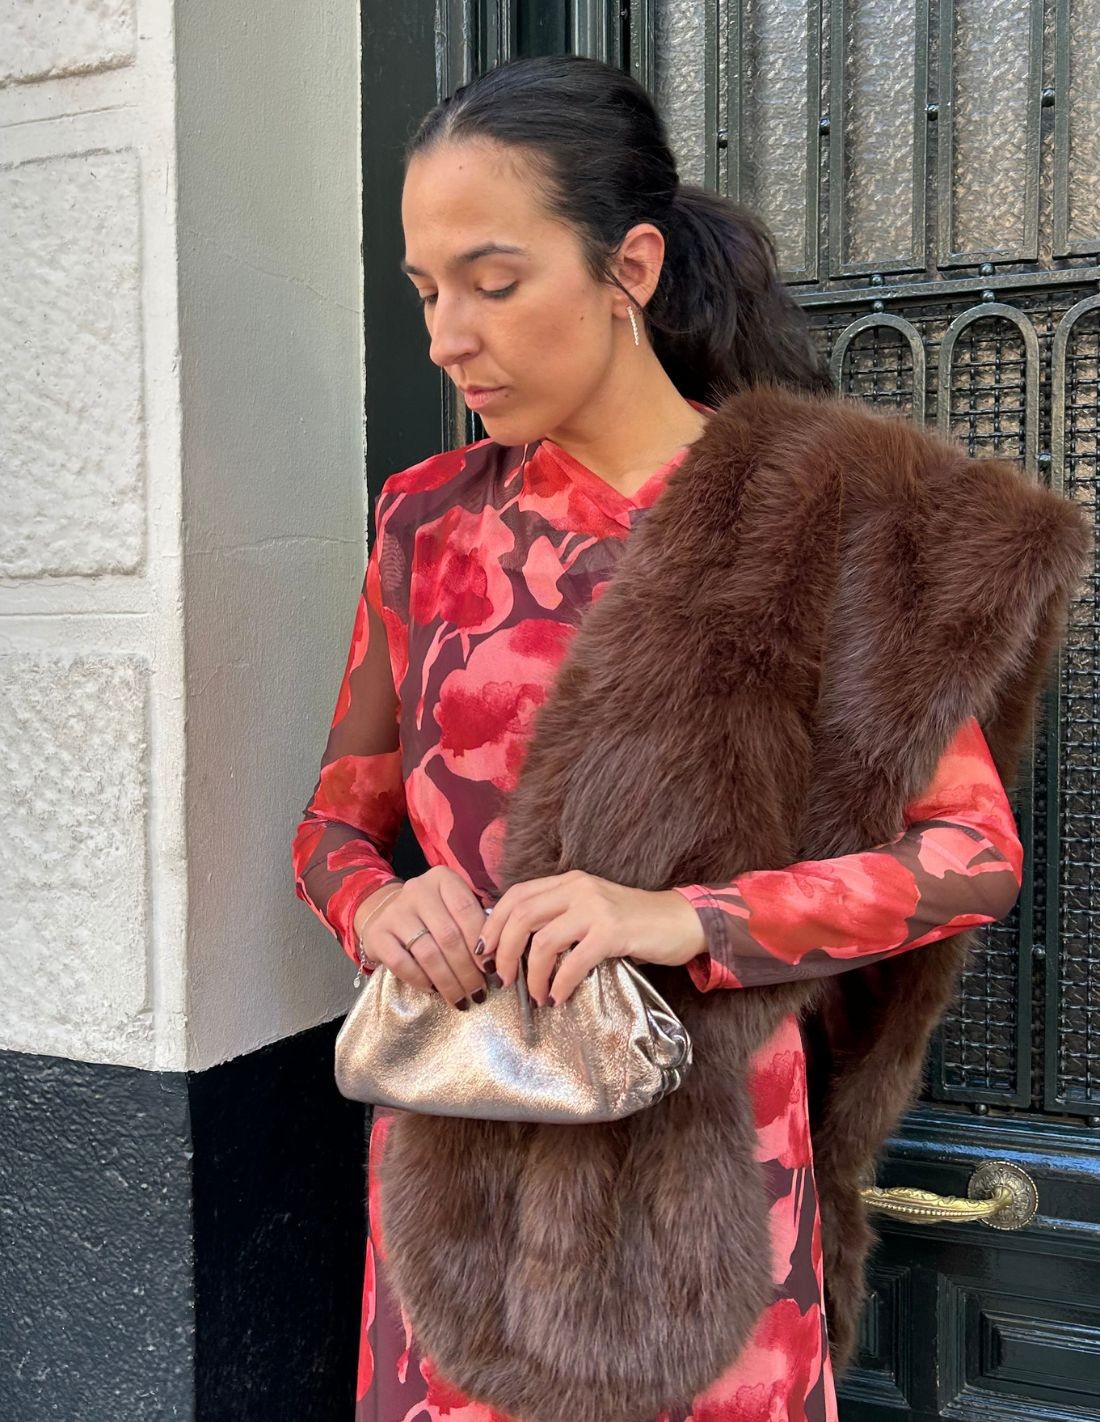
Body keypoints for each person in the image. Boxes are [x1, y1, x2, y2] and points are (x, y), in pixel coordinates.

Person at [291, 53, 1024, 1422]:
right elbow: (336, 819)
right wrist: (377, 904)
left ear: (627, 267)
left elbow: (972, 855)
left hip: (707, 1175)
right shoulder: (423, 522)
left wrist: (680, 918)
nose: (448, 336)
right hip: (466, 1155)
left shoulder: (819, 520)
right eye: (427, 290)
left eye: (493, 282)